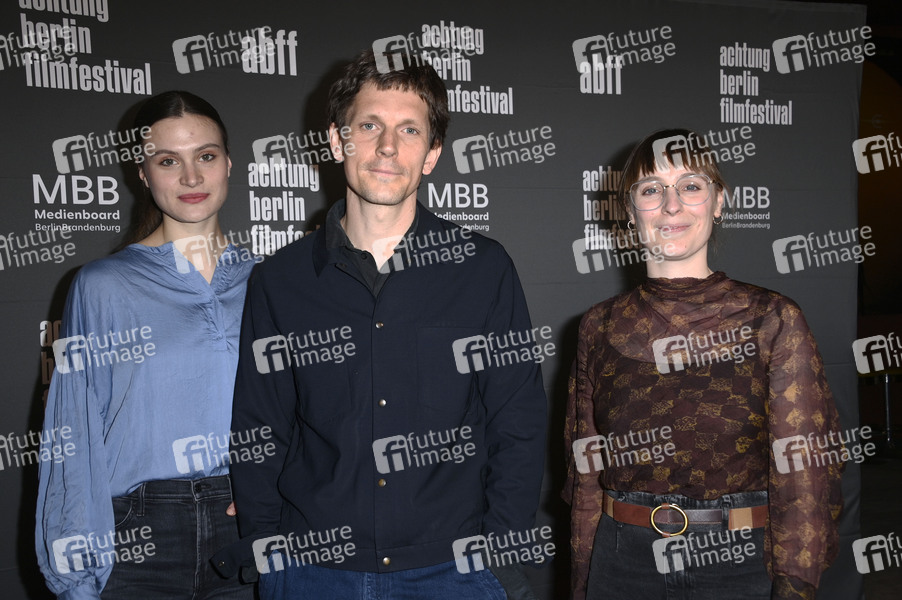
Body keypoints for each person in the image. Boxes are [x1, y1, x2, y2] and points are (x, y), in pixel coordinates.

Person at [211, 50, 548, 599]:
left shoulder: (483, 269)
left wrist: (501, 559)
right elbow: (260, 426)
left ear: (432, 154)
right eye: (369, 126)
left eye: (409, 130)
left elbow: (518, 422)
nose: (388, 146)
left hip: (455, 573)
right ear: (336, 141)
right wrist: (268, 552)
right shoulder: (280, 280)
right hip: (311, 572)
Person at [564, 129, 843, 600]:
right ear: (630, 211)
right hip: (621, 563)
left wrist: (794, 587)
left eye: (691, 186)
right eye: (651, 190)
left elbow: (806, 478)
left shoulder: (772, 319)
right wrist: (582, 580)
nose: (671, 206)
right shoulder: (599, 325)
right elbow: (584, 478)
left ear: (718, 202)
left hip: (740, 565)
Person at [35, 91, 256, 599]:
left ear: (228, 163)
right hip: (137, 540)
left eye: (205, 156)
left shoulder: (269, 282)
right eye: (168, 161)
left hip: (245, 532)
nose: (191, 177)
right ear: (143, 173)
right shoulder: (102, 286)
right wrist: (76, 577)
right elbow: (73, 432)